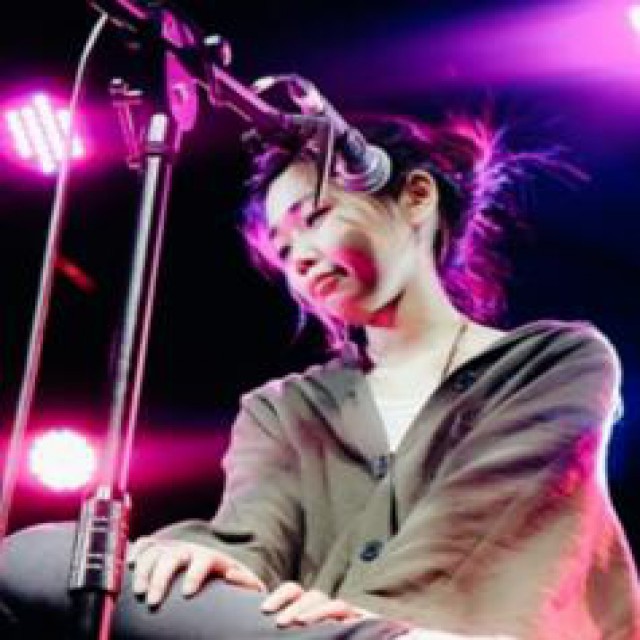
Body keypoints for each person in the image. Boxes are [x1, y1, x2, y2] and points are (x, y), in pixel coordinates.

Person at [1, 113, 639, 640]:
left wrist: (360, 616)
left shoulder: (556, 360)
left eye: (315, 217)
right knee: (39, 558)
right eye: (282, 250)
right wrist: (206, 558)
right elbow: (254, 535)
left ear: (416, 197)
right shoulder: (285, 407)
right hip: (305, 631)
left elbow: (471, 532)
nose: (300, 257)